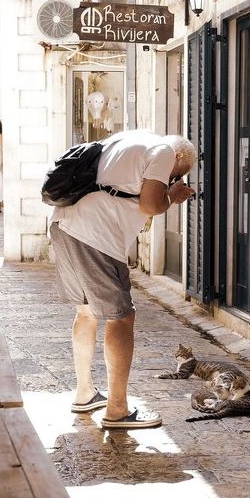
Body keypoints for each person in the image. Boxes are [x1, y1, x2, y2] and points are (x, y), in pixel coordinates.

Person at [50, 129, 196, 429]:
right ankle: (117, 410)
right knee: (122, 317)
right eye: (178, 174)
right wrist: (173, 195)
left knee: (86, 312)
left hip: (63, 223)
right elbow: (150, 205)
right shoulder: (165, 152)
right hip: (96, 235)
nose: (173, 178)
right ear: (179, 156)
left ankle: (85, 393)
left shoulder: (129, 140)